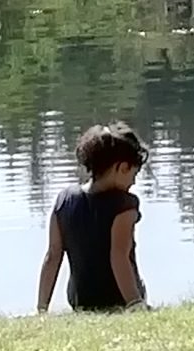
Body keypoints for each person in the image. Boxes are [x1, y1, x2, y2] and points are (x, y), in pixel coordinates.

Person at [36, 122, 148, 313]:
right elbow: (119, 257)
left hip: (81, 302)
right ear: (121, 167)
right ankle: (135, 302)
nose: (134, 181)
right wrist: (135, 304)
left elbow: (53, 256)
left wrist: (41, 309)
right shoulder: (125, 205)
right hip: (117, 299)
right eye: (133, 173)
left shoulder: (64, 201)